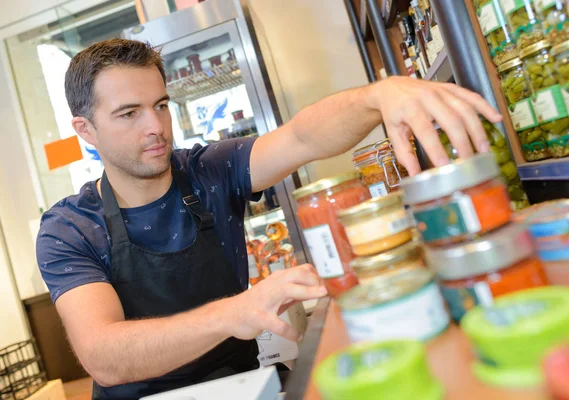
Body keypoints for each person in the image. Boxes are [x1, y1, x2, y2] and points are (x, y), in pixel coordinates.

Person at [36, 39, 501, 399]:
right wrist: (237, 311)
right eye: (129, 113)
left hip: (246, 388)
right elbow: (105, 356)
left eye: (160, 105)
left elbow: (301, 137)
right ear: (85, 130)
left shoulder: (207, 172)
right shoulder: (70, 227)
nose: (155, 126)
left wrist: (378, 97)